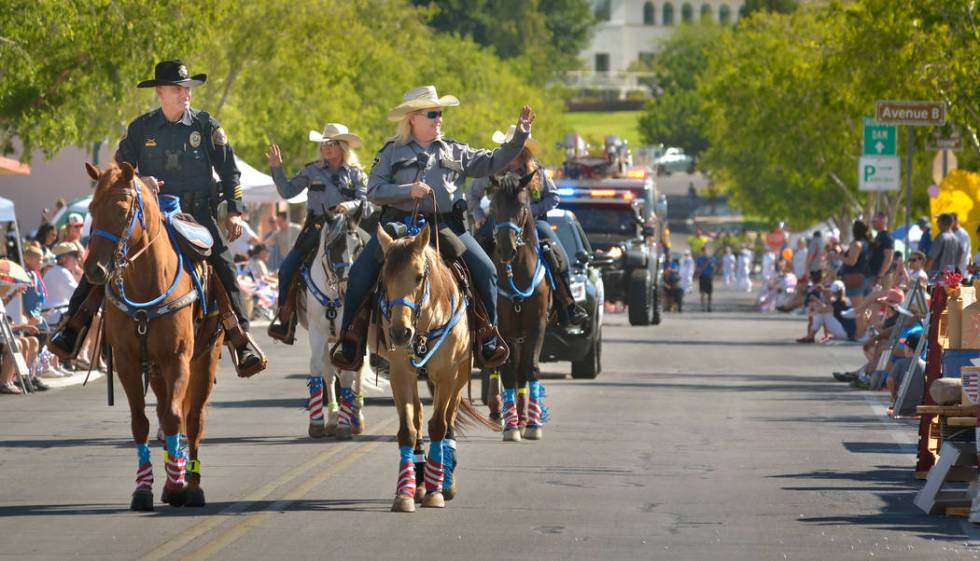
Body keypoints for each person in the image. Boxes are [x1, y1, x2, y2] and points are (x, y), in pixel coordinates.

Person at [49, 59, 264, 375]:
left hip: (199, 215)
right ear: (160, 92)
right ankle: (73, 326)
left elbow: (230, 171)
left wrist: (233, 211)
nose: (185, 94)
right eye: (178, 89)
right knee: (103, 258)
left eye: (187, 88)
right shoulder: (140, 128)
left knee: (223, 264)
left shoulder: (207, 126)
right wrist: (140, 182)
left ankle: (241, 338)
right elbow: (117, 175)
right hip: (153, 213)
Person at [331, 85, 534, 370]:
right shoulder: (391, 152)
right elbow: (374, 190)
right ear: (412, 118)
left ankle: (487, 336)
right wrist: (407, 190)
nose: (439, 118)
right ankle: (350, 338)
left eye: (440, 113)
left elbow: (491, 162)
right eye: (432, 113)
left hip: (445, 226)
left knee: (486, 270)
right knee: (360, 273)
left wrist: (519, 137)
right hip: (398, 226)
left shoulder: (454, 149)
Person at [467, 126, 587, 326]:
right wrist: (479, 216)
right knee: (476, 251)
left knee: (559, 256)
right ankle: (471, 303)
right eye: (509, 144)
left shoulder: (537, 171)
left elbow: (553, 196)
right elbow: (472, 195)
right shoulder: (491, 168)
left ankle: (567, 304)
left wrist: (530, 212)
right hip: (499, 221)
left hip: (533, 223)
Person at [266, 123, 369, 342]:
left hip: (348, 229)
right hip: (317, 227)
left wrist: (349, 207)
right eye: (324, 144)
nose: (326, 148)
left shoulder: (357, 174)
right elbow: (287, 191)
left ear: (342, 147)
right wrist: (277, 169)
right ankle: (285, 319)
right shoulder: (311, 170)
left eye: (331, 144)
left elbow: (367, 204)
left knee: (374, 264)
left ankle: (374, 316)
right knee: (286, 269)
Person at [839, 220, 872, 337]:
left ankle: (860, 334)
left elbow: (851, 261)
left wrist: (839, 255)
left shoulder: (856, 243)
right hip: (865, 277)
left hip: (855, 278)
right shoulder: (867, 243)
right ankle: (862, 333)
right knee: (863, 308)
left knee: (857, 309)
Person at [925, 213, 962, 277]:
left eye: (938, 221)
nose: (937, 223)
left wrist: (923, 271)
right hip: (950, 277)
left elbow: (931, 258)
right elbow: (958, 261)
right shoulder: (956, 239)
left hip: (936, 277)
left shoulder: (941, 237)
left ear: (942, 223)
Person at [868, 211, 894, 290]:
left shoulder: (886, 237)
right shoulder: (879, 236)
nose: (872, 223)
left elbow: (888, 257)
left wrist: (880, 275)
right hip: (876, 275)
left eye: (874, 221)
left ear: (882, 221)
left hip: (882, 276)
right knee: (873, 300)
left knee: (879, 299)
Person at [694, 245, 716, 312]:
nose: (704, 252)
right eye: (703, 250)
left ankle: (709, 306)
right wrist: (697, 273)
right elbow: (697, 267)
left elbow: (714, 267)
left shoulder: (711, 258)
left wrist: (710, 262)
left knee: (710, 293)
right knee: (702, 292)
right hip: (702, 276)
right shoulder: (699, 258)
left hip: (709, 275)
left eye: (705, 250)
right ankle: (703, 306)